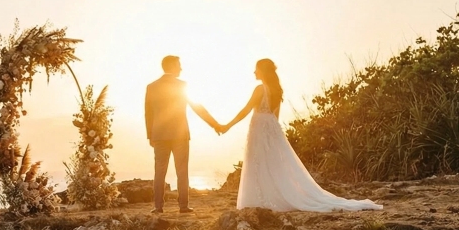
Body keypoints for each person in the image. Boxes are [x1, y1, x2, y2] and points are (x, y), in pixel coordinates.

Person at [218, 58, 382, 212]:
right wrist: (272, 133)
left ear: (262, 71)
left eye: (256, 69)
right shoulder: (276, 90)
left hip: (259, 128)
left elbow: (245, 111)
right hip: (271, 128)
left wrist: (227, 126)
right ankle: (269, 197)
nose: (254, 72)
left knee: (259, 162)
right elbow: (276, 117)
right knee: (272, 164)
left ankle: (260, 199)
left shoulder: (260, 89)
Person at [144, 55, 222, 213]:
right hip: (180, 134)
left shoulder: (151, 86)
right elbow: (197, 107)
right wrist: (214, 124)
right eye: (179, 65)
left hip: (159, 135)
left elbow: (148, 114)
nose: (181, 68)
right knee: (182, 170)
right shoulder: (182, 85)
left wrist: (150, 135)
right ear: (171, 66)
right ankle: (183, 206)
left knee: (159, 171)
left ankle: (158, 207)